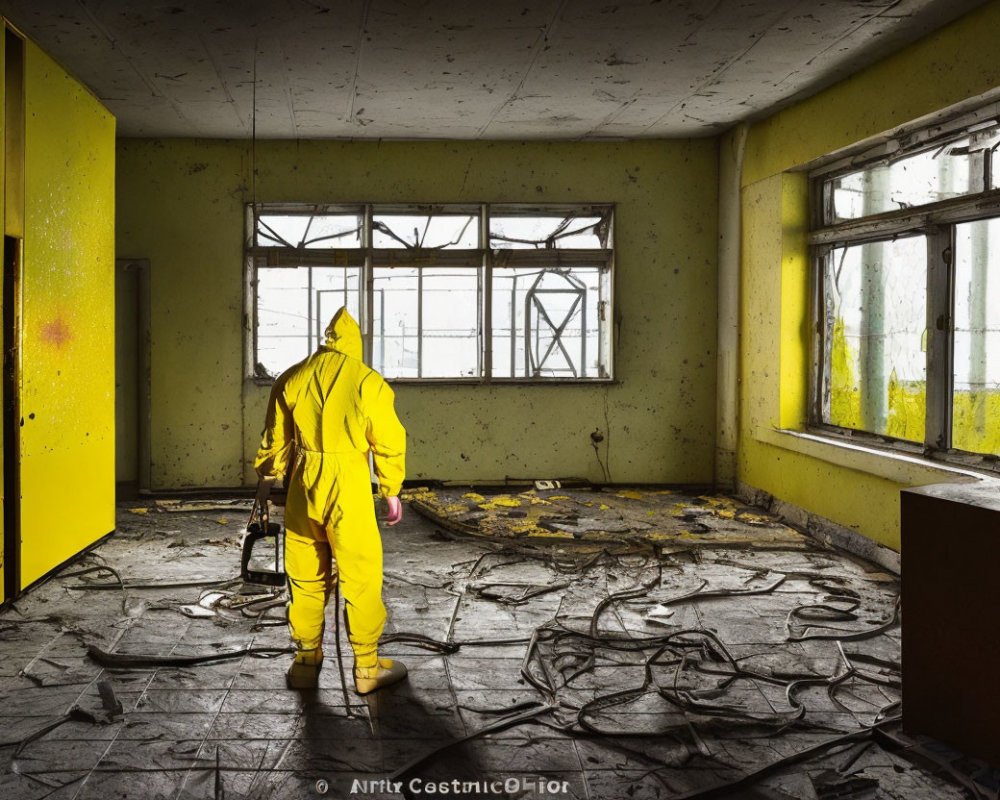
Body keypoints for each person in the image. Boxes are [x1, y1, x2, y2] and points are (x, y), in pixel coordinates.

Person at [255, 307, 407, 693]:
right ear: (356, 345)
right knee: (360, 577)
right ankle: (367, 670)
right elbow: (388, 441)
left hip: (303, 484)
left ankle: (306, 661)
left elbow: (275, 440)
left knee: (304, 575)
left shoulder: (293, 377)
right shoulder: (368, 381)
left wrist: (269, 476)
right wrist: (390, 488)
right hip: (349, 485)